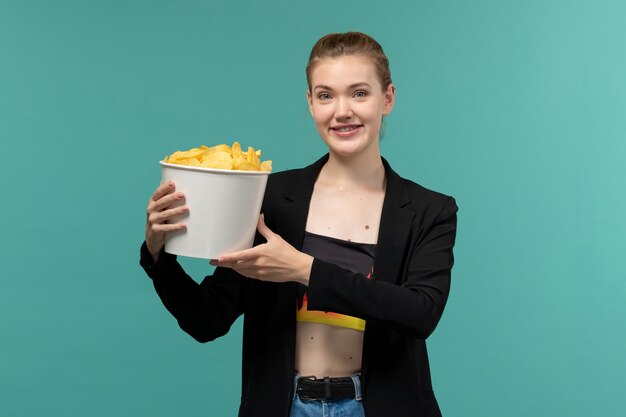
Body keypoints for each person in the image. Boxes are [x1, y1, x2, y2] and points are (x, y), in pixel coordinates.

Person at [140, 32, 458, 417]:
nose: (342, 111)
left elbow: (420, 313)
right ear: (310, 103)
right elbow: (207, 320)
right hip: (285, 406)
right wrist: (160, 254)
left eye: (359, 93)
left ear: (387, 98)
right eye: (325, 95)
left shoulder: (429, 210)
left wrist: (303, 269)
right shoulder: (270, 197)